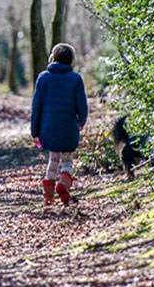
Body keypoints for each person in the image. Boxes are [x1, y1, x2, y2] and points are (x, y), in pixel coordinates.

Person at [31, 43, 88, 205]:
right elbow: (82, 105)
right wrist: (81, 122)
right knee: (67, 160)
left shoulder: (43, 77)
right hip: (69, 127)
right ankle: (63, 184)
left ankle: (48, 196)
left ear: (53, 58)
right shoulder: (76, 79)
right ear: (71, 59)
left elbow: (36, 107)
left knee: (53, 159)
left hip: (48, 129)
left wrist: (35, 131)